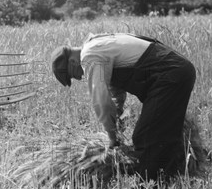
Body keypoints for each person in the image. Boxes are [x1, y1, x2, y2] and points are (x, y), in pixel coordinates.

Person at [50, 33, 196, 180]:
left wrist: (112, 138)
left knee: (145, 137)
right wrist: (118, 123)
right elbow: (116, 95)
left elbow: (101, 101)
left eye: (73, 75)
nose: (80, 77)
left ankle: (149, 187)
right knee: (163, 132)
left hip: (170, 75)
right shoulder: (100, 44)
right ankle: (171, 178)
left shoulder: (90, 55)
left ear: (73, 61)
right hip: (175, 71)